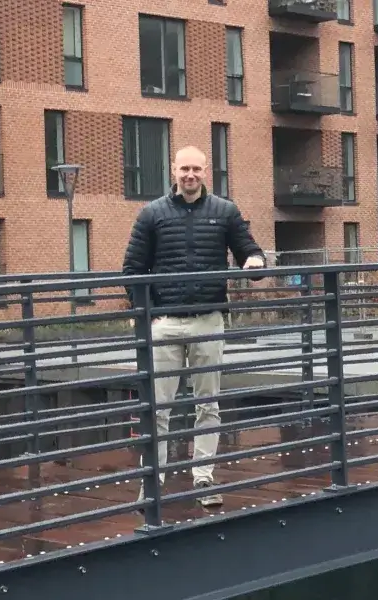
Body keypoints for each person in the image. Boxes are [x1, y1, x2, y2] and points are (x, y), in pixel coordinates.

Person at [121, 144, 266, 510]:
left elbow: (249, 248)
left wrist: (255, 261)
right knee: (158, 409)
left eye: (196, 169)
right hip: (166, 324)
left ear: (206, 172)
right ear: (174, 171)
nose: (190, 175)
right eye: (184, 168)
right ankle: (153, 482)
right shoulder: (152, 214)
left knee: (208, 405)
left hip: (208, 320)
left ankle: (204, 477)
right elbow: (132, 270)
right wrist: (148, 313)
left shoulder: (225, 211)